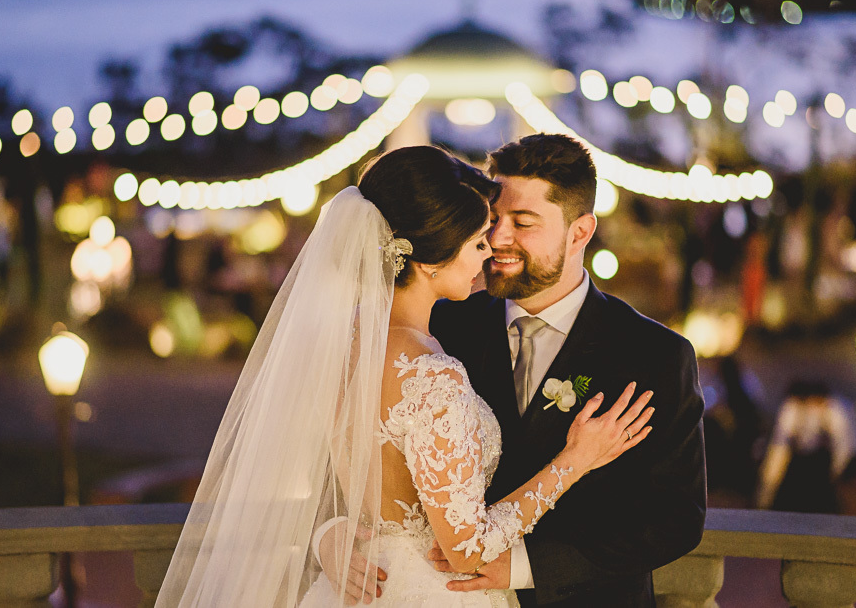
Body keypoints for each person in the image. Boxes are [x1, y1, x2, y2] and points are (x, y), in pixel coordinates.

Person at [155, 145, 654, 607]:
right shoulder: (433, 375)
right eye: (477, 240)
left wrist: (331, 529)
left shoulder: (340, 345)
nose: (488, 252)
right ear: (431, 258)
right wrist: (573, 461)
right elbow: (466, 549)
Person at [426, 134, 707, 607]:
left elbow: (675, 519)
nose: (497, 239)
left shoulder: (655, 354)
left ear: (580, 232)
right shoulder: (442, 326)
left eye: (523, 222)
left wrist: (527, 566)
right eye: (492, 219)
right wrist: (332, 532)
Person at [755, 378, 856, 513]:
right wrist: (766, 492)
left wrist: (837, 475)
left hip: (824, 480)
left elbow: (845, 448)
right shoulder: (792, 407)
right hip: (797, 479)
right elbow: (779, 450)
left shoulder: (836, 409)